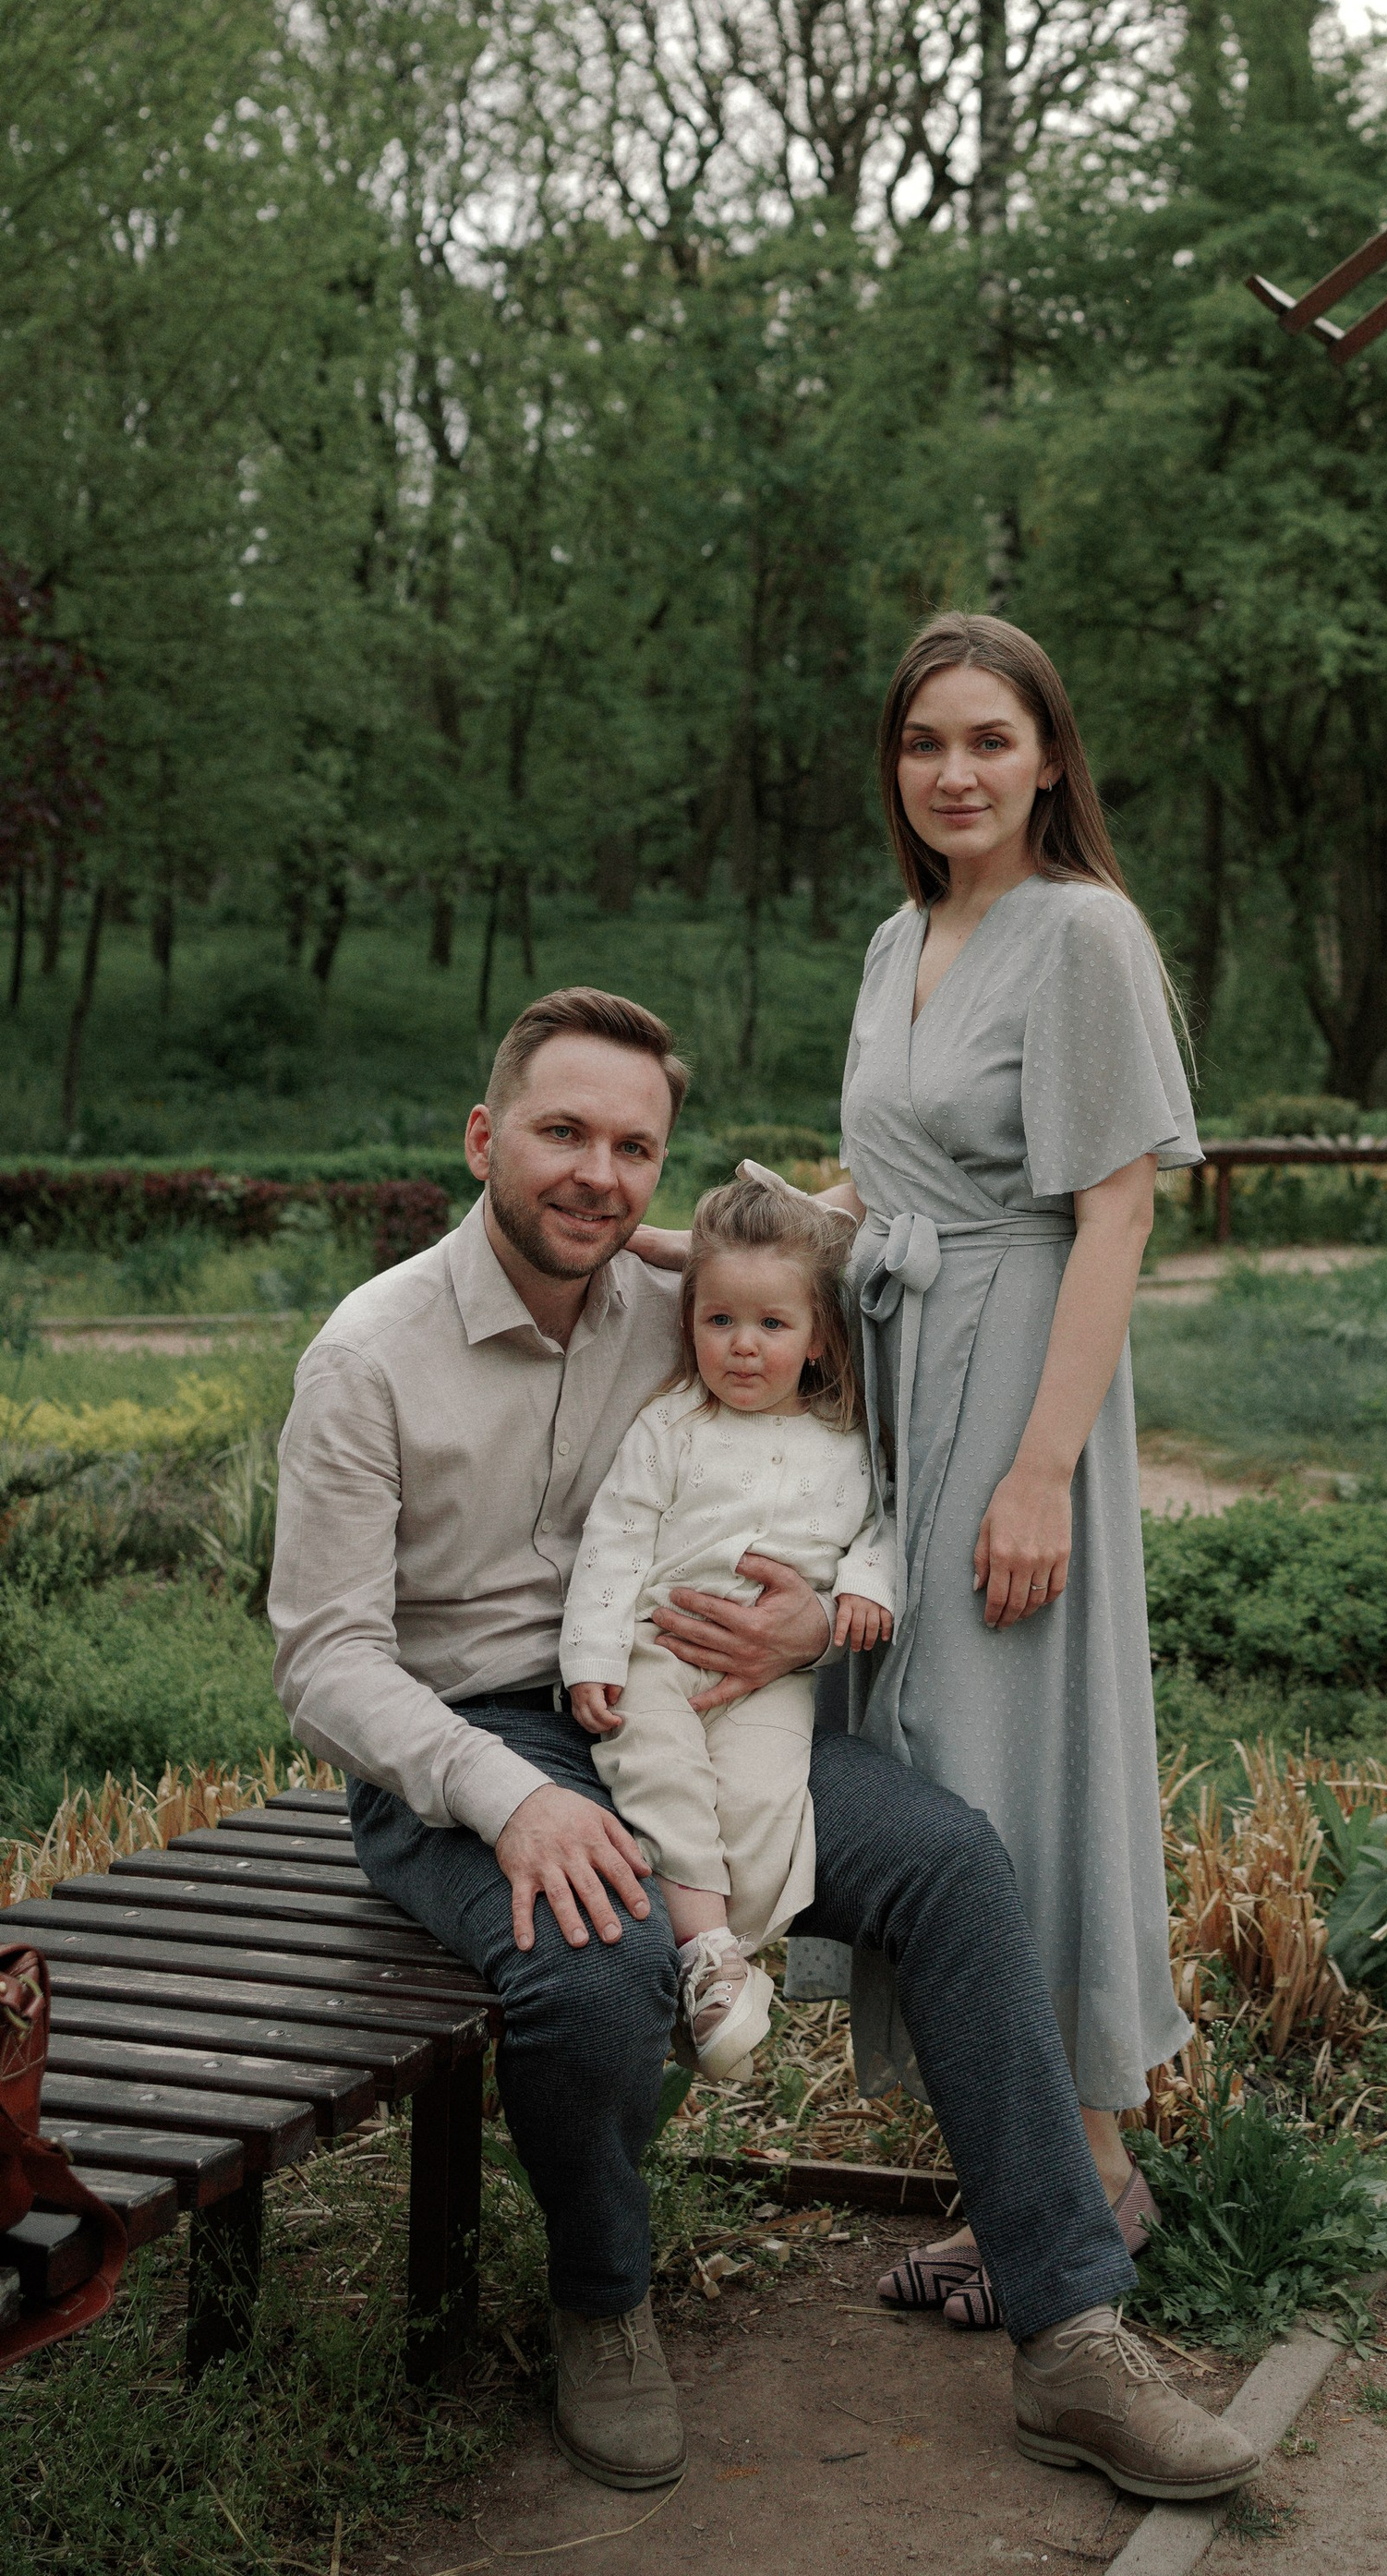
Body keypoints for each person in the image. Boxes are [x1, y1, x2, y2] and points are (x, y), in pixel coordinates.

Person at [270, 984, 1259, 2509]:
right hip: (461, 1759)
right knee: (597, 1976)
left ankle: (1071, 2327)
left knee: (948, 1861)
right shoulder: (370, 1354)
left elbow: (831, 1338)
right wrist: (511, 1798)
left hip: (693, 1700)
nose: (597, 1173)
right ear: (484, 1137)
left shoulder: (680, 1315)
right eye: (561, 1133)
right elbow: (325, 1657)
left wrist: (811, 1627)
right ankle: (601, 2302)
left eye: (632, 1146)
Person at [836, 613, 1200, 2329]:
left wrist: (1042, 1468)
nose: (956, 772)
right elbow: (871, 1198)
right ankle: (1020, 2174)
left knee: (1025, 1771)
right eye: (927, 744)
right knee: (941, 1772)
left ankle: (1096, 2182)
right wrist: (685, 1252)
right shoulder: (894, 937)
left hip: (1020, 1390)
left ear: (1049, 754)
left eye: (990, 739)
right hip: (908, 1380)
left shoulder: (1081, 935)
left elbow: (1117, 1208)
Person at [561, 1166, 896, 2082]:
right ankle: (707, 1955)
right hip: (658, 1652)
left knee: (761, 1806)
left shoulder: (846, 1446)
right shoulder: (672, 1425)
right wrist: (593, 1655)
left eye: (772, 1325)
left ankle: (714, 1959)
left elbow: (881, 1528)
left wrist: (866, 1585)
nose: (742, 1347)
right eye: (719, 1322)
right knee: (661, 1777)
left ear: (820, 1339)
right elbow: (617, 1539)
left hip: (771, 1682)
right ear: (691, 1324)